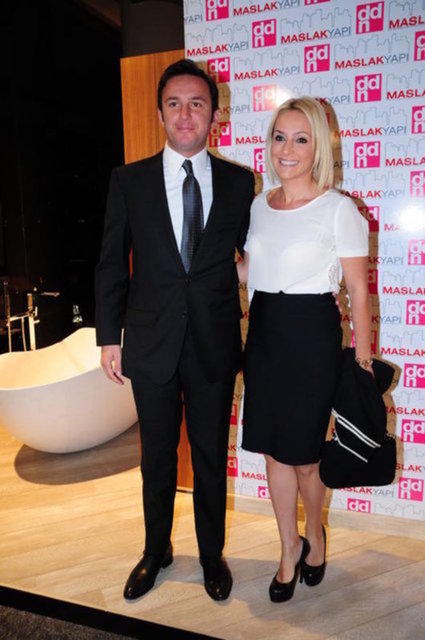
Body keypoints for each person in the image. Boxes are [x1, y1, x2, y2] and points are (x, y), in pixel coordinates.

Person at [95, 59, 255, 601]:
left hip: (214, 344)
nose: (186, 114)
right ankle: (155, 550)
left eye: (197, 104)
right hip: (150, 344)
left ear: (214, 114)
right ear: (160, 113)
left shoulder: (239, 183)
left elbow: (256, 255)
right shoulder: (129, 181)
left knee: (210, 456)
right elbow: (111, 263)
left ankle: (211, 555)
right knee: (157, 458)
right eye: (174, 104)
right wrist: (109, 337)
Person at [237, 96, 372, 603]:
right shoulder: (258, 205)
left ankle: (314, 532)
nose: (287, 150)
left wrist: (361, 363)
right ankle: (288, 547)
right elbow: (250, 271)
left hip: (313, 337)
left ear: (318, 148)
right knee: (273, 450)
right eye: (279, 137)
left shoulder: (339, 209)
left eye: (300, 139)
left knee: (307, 457)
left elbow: (358, 291)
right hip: (264, 334)